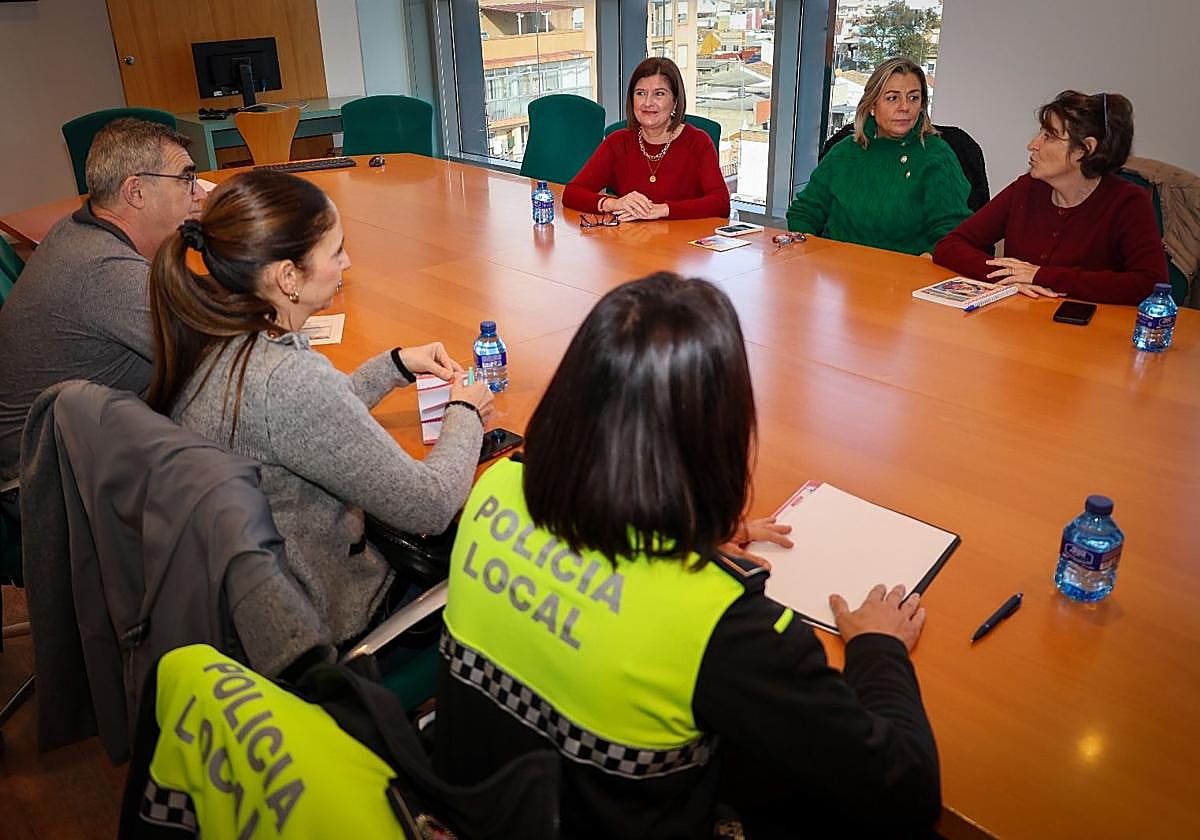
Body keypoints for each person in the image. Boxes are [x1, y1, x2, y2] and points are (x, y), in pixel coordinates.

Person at [433, 272, 941, 838]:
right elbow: (906, 791)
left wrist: (686, 535)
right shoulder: (723, 626)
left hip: (488, 806)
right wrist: (878, 648)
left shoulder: (497, 485)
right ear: (719, 434)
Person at [146, 169, 494, 646]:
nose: (347, 263)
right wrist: (465, 411)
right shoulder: (287, 381)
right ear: (288, 277)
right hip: (328, 615)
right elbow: (429, 505)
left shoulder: (215, 335)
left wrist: (393, 366)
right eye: (335, 252)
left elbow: (308, 426)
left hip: (247, 601)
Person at [0, 118, 202, 480]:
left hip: (71, 442)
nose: (199, 193)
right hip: (52, 480)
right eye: (187, 179)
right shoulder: (104, 271)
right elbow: (218, 357)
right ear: (136, 192)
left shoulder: (79, 227)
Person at [934, 91, 1167, 304]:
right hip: (1020, 326)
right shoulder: (1027, 188)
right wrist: (1009, 277)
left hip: (1089, 337)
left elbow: (1149, 284)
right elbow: (949, 246)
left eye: (1048, 136)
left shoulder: (1129, 202)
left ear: (1085, 149)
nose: (1032, 145)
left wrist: (1041, 276)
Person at [786, 56, 970, 256]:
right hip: (838, 276)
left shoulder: (936, 155)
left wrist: (931, 258)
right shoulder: (844, 151)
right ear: (872, 105)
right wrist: (807, 248)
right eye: (893, 98)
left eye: (913, 97)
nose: (905, 107)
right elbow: (805, 211)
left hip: (904, 277)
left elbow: (953, 232)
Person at [562, 57, 729, 221]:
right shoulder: (618, 142)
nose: (648, 103)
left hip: (682, 244)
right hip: (632, 242)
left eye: (659, 94)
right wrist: (614, 203)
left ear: (675, 101)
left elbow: (721, 203)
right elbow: (572, 193)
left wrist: (663, 210)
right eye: (640, 93)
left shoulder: (698, 142)